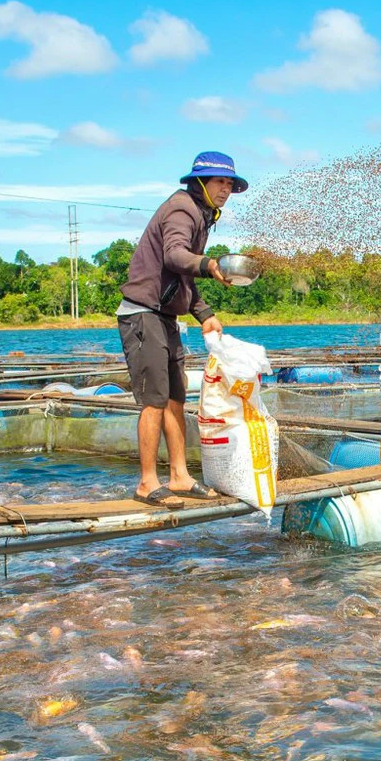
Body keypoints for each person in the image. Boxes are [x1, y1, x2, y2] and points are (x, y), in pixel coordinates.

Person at [117, 150, 246, 506]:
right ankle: (146, 482)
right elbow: (175, 256)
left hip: (166, 317)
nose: (225, 189)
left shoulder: (202, 215)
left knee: (176, 397)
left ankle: (178, 476)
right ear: (199, 181)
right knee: (154, 400)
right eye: (219, 181)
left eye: (230, 183)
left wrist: (204, 313)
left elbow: (180, 277)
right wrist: (209, 264)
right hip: (142, 314)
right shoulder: (181, 209)